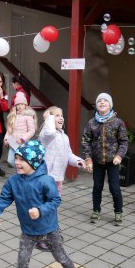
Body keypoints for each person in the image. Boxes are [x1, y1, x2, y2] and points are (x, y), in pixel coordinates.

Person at [0, 140, 82, 268]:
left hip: (49, 228)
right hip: (28, 229)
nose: (17, 162)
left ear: (34, 161)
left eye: (22, 159)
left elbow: (55, 200)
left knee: (59, 255)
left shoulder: (46, 180)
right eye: (16, 158)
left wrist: (40, 210)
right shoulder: (13, 181)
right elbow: (4, 198)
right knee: (23, 259)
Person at [37, 106, 85, 251]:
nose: (61, 118)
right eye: (56, 115)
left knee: (54, 207)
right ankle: (41, 237)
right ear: (49, 119)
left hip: (58, 178)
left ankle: (51, 233)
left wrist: (78, 161)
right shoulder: (46, 135)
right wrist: (49, 118)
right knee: (46, 208)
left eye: (61, 115)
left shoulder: (64, 136)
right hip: (46, 178)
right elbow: (49, 131)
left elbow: (68, 154)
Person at [82, 93, 128, 226]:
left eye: (105, 101)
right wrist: (88, 159)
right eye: (99, 101)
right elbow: (86, 141)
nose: (102, 103)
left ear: (110, 105)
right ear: (96, 105)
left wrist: (119, 156)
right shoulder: (91, 123)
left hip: (113, 161)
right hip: (97, 162)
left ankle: (118, 212)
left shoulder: (117, 122)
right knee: (97, 187)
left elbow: (124, 141)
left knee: (114, 187)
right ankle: (96, 210)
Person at [4, 92, 36, 168]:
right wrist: (6, 139)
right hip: (13, 143)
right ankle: (19, 174)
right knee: (10, 161)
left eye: (22, 104)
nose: (20, 106)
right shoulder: (13, 116)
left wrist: (22, 139)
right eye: (18, 104)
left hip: (22, 144)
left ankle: (21, 175)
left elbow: (32, 131)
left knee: (21, 162)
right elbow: (9, 130)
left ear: (25, 105)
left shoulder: (28, 116)